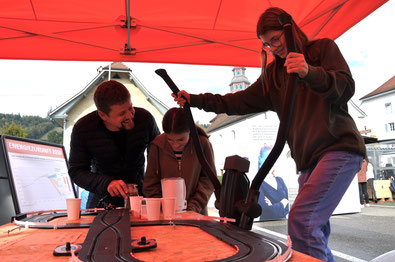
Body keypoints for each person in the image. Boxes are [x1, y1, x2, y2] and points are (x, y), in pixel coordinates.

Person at [173, 7, 366, 262]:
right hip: (308, 160)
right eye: (266, 44)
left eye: (276, 39)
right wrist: (195, 100)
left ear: (290, 30)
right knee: (313, 229)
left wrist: (309, 72)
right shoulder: (274, 76)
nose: (273, 47)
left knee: (302, 221)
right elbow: (236, 102)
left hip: (338, 149)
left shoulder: (322, 50)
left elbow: (345, 87)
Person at [68, 80, 160, 208]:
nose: (130, 115)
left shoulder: (145, 119)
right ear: (103, 115)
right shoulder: (83, 129)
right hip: (101, 200)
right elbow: (77, 171)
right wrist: (107, 183)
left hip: (140, 198)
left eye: (130, 108)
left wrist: (152, 189)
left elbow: (159, 156)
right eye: (122, 113)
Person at [143, 107, 215, 215]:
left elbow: (209, 180)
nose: (176, 145)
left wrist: (193, 207)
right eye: (170, 140)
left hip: (196, 213)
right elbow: (150, 182)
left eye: (181, 139)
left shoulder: (202, 144)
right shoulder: (157, 145)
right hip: (164, 214)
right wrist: (163, 206)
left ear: (190, 131)